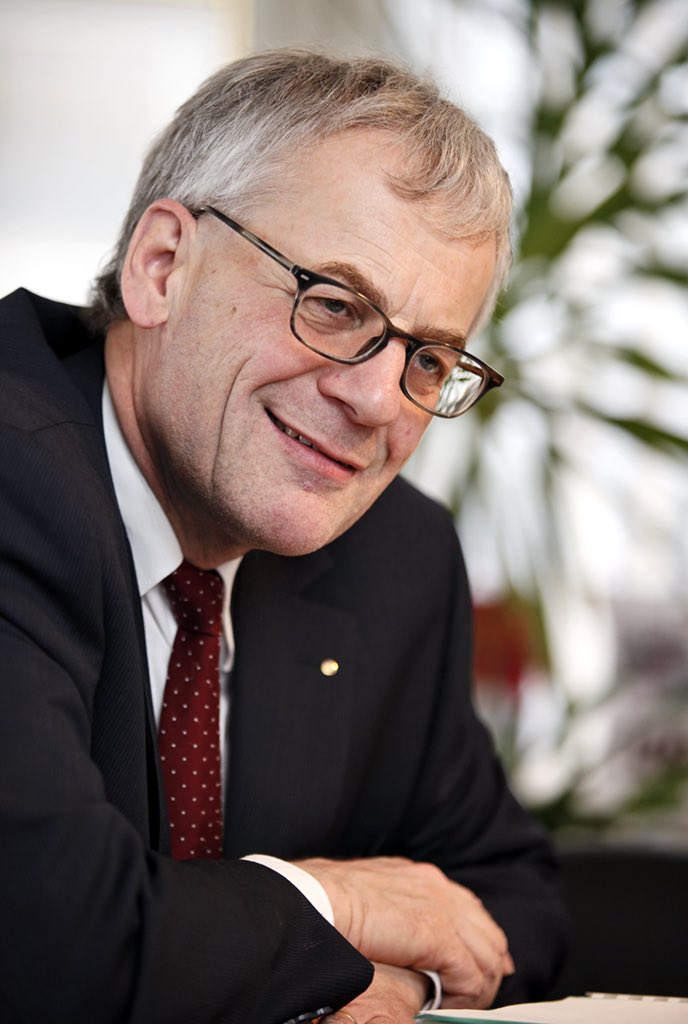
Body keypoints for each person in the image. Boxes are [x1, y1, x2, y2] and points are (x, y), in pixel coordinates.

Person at [0, 49, 567, 1024]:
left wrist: (404, 982)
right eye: (335, 304)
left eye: (429, 359)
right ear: (162, 268)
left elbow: (514, 903)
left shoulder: (396, 559)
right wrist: (335, 906)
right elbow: (51, 936)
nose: (377, 402)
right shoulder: (15, 473)